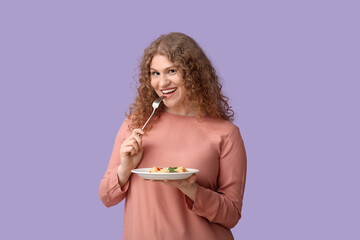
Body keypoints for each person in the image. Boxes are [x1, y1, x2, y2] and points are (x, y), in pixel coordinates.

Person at [99, 32, 247, 240]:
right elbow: (106, 197)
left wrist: (191, 189)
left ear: (193, 74)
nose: (162, 83)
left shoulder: (225, 134)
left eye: (172, 71)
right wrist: (125, 168)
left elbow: (231, 214)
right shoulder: (135, 125)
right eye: (155, 73)